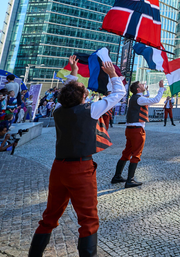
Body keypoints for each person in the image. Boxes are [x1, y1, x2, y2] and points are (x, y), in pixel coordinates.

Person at [28, 56, 124, 257]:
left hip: (58, 167)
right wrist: (113, 75)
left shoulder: (58, 110)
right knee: (88, 219)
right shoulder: (90, 110)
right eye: (84, 89)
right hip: (80, 169)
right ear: (82, 97)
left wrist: (73, 72)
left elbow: (68, 90)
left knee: (50, 216)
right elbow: (119, 93)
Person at [111, 80, 165, 188]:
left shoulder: (135, 98)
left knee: (126, 153)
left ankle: (117, 176)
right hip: (137, 130)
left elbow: (147, 96)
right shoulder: (140, 99)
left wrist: (147, 89)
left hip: (130, 129)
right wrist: (161, 88)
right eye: (141, 85)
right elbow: (156, 100)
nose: (143, 85)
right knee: (136, 154)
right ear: (138, 89)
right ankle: (130, 180)